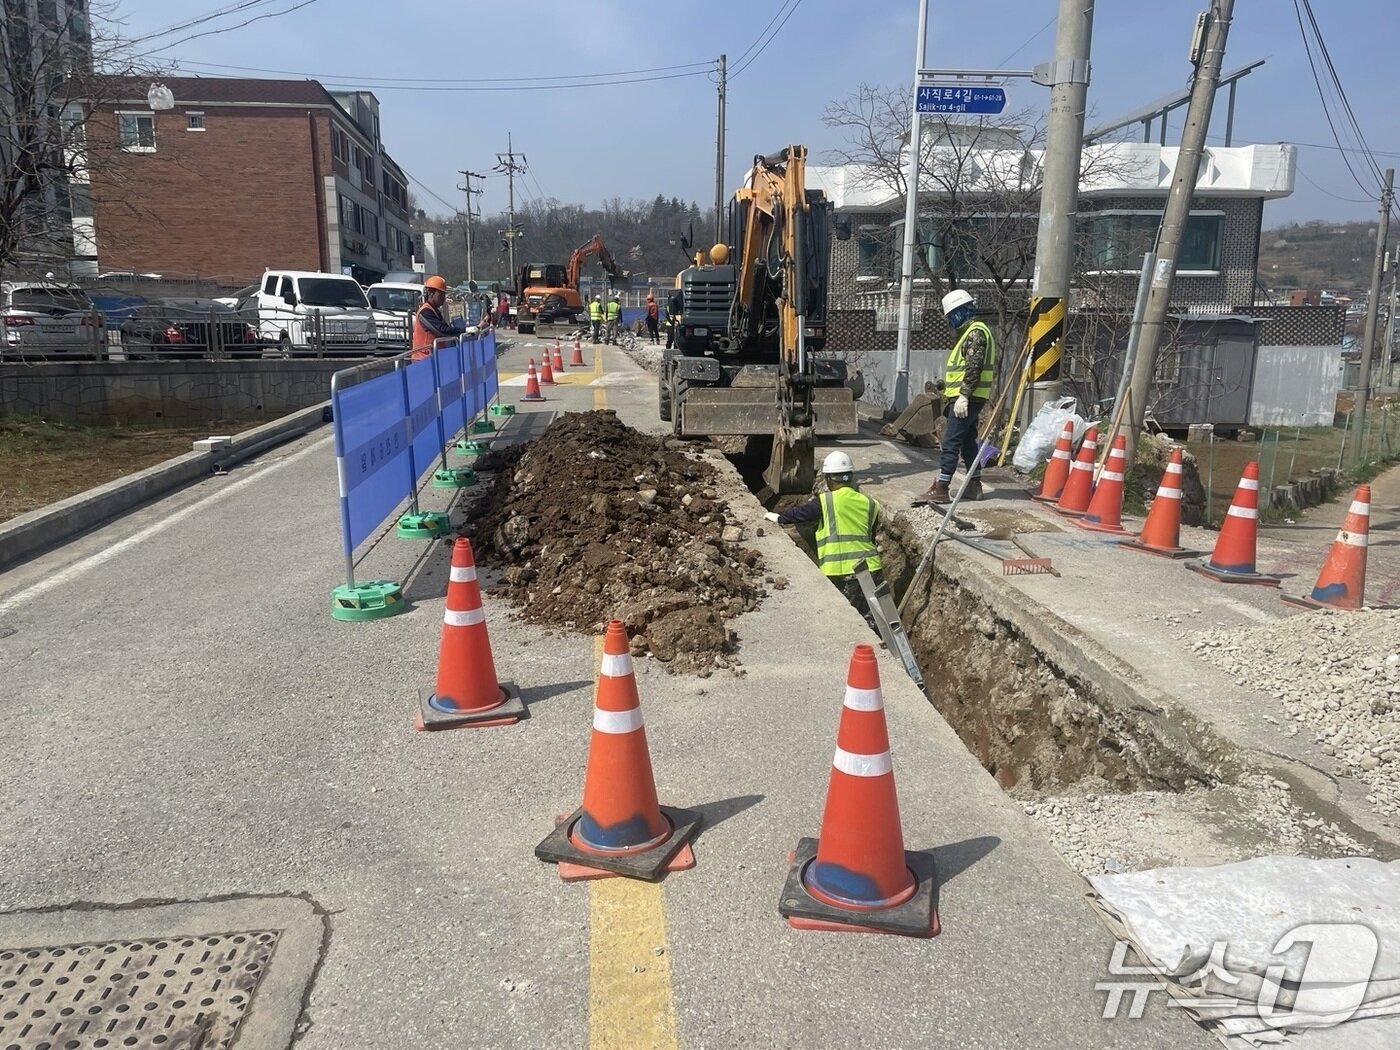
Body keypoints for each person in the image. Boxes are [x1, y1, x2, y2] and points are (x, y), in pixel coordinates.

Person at [764, 451, 883, 631]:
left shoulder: (825, 501)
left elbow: (800, 514)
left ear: (828, 479)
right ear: (850, 477)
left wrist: (779, 518)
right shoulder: (871, 503)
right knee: (874, 620)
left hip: (843, 573)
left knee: (847, 625)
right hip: (872, 569)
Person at [914, 289, 997, 504]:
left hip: (967, 398)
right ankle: (974, 484)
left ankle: (942, 487)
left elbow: (973, 368)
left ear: (959, 312)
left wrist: (963, 396)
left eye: (951, 315)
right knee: (968, 441)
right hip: (969, 397)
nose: (950, 321)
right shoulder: (972, 332)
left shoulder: (974, 334)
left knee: (950, 441)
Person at [412, 275, 456, 359]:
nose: (443, 298)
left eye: (444, 295)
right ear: (430, 293)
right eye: (440, 295)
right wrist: (464, 330)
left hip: (433, 356)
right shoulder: (425, 312)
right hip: (423, 359)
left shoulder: (434, 311)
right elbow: (442, 330)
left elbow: (446, 329)